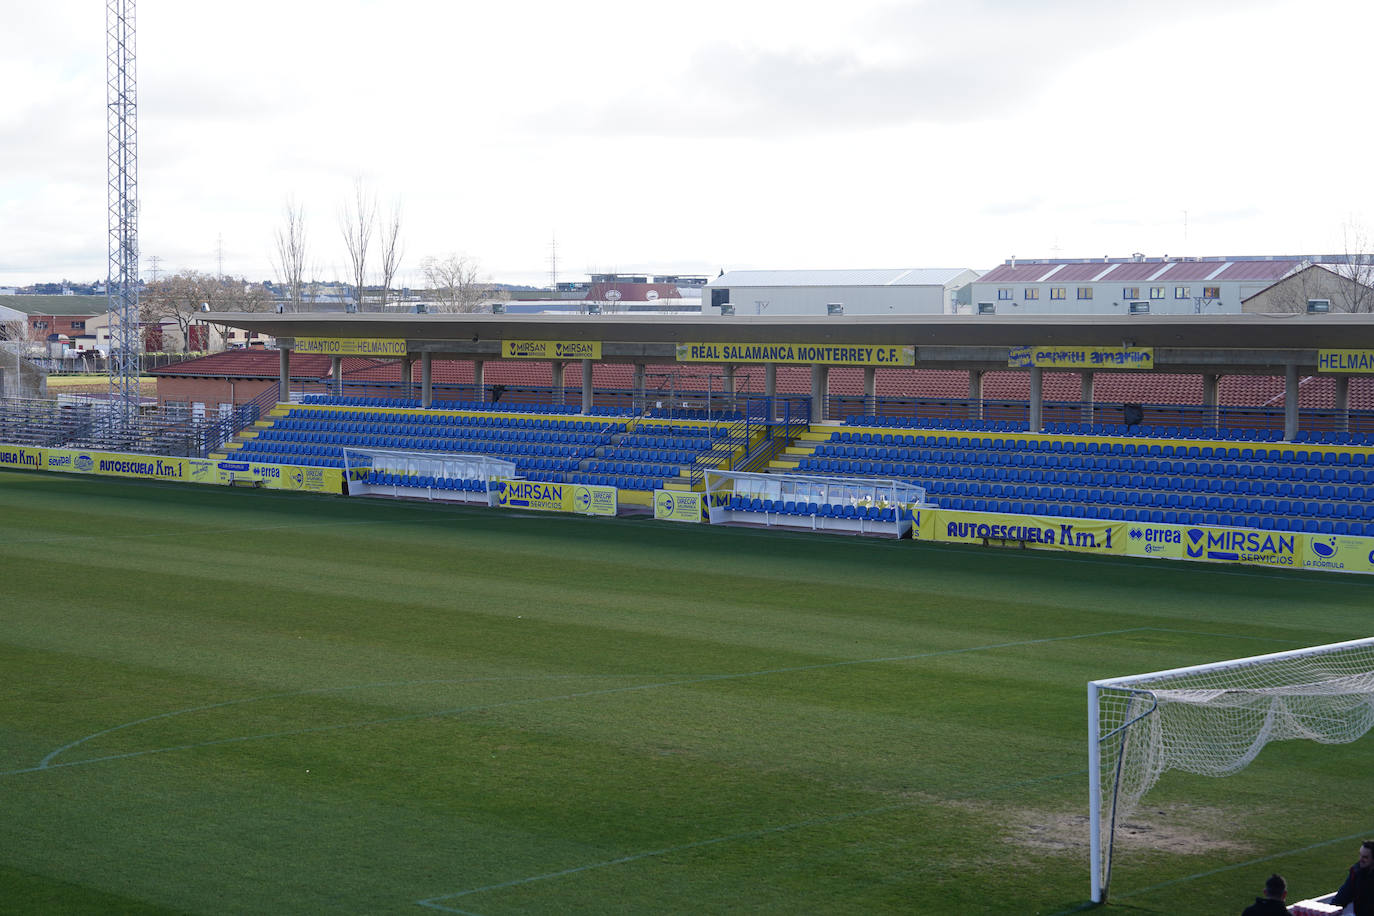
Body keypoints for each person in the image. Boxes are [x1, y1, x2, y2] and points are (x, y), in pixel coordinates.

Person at [1333, 841, 1374, 915]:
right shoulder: (1357, 872)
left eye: (1365, 857)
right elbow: (1343, 895)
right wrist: (1331, 910)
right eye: (1360, 855)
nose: (1360, 859)